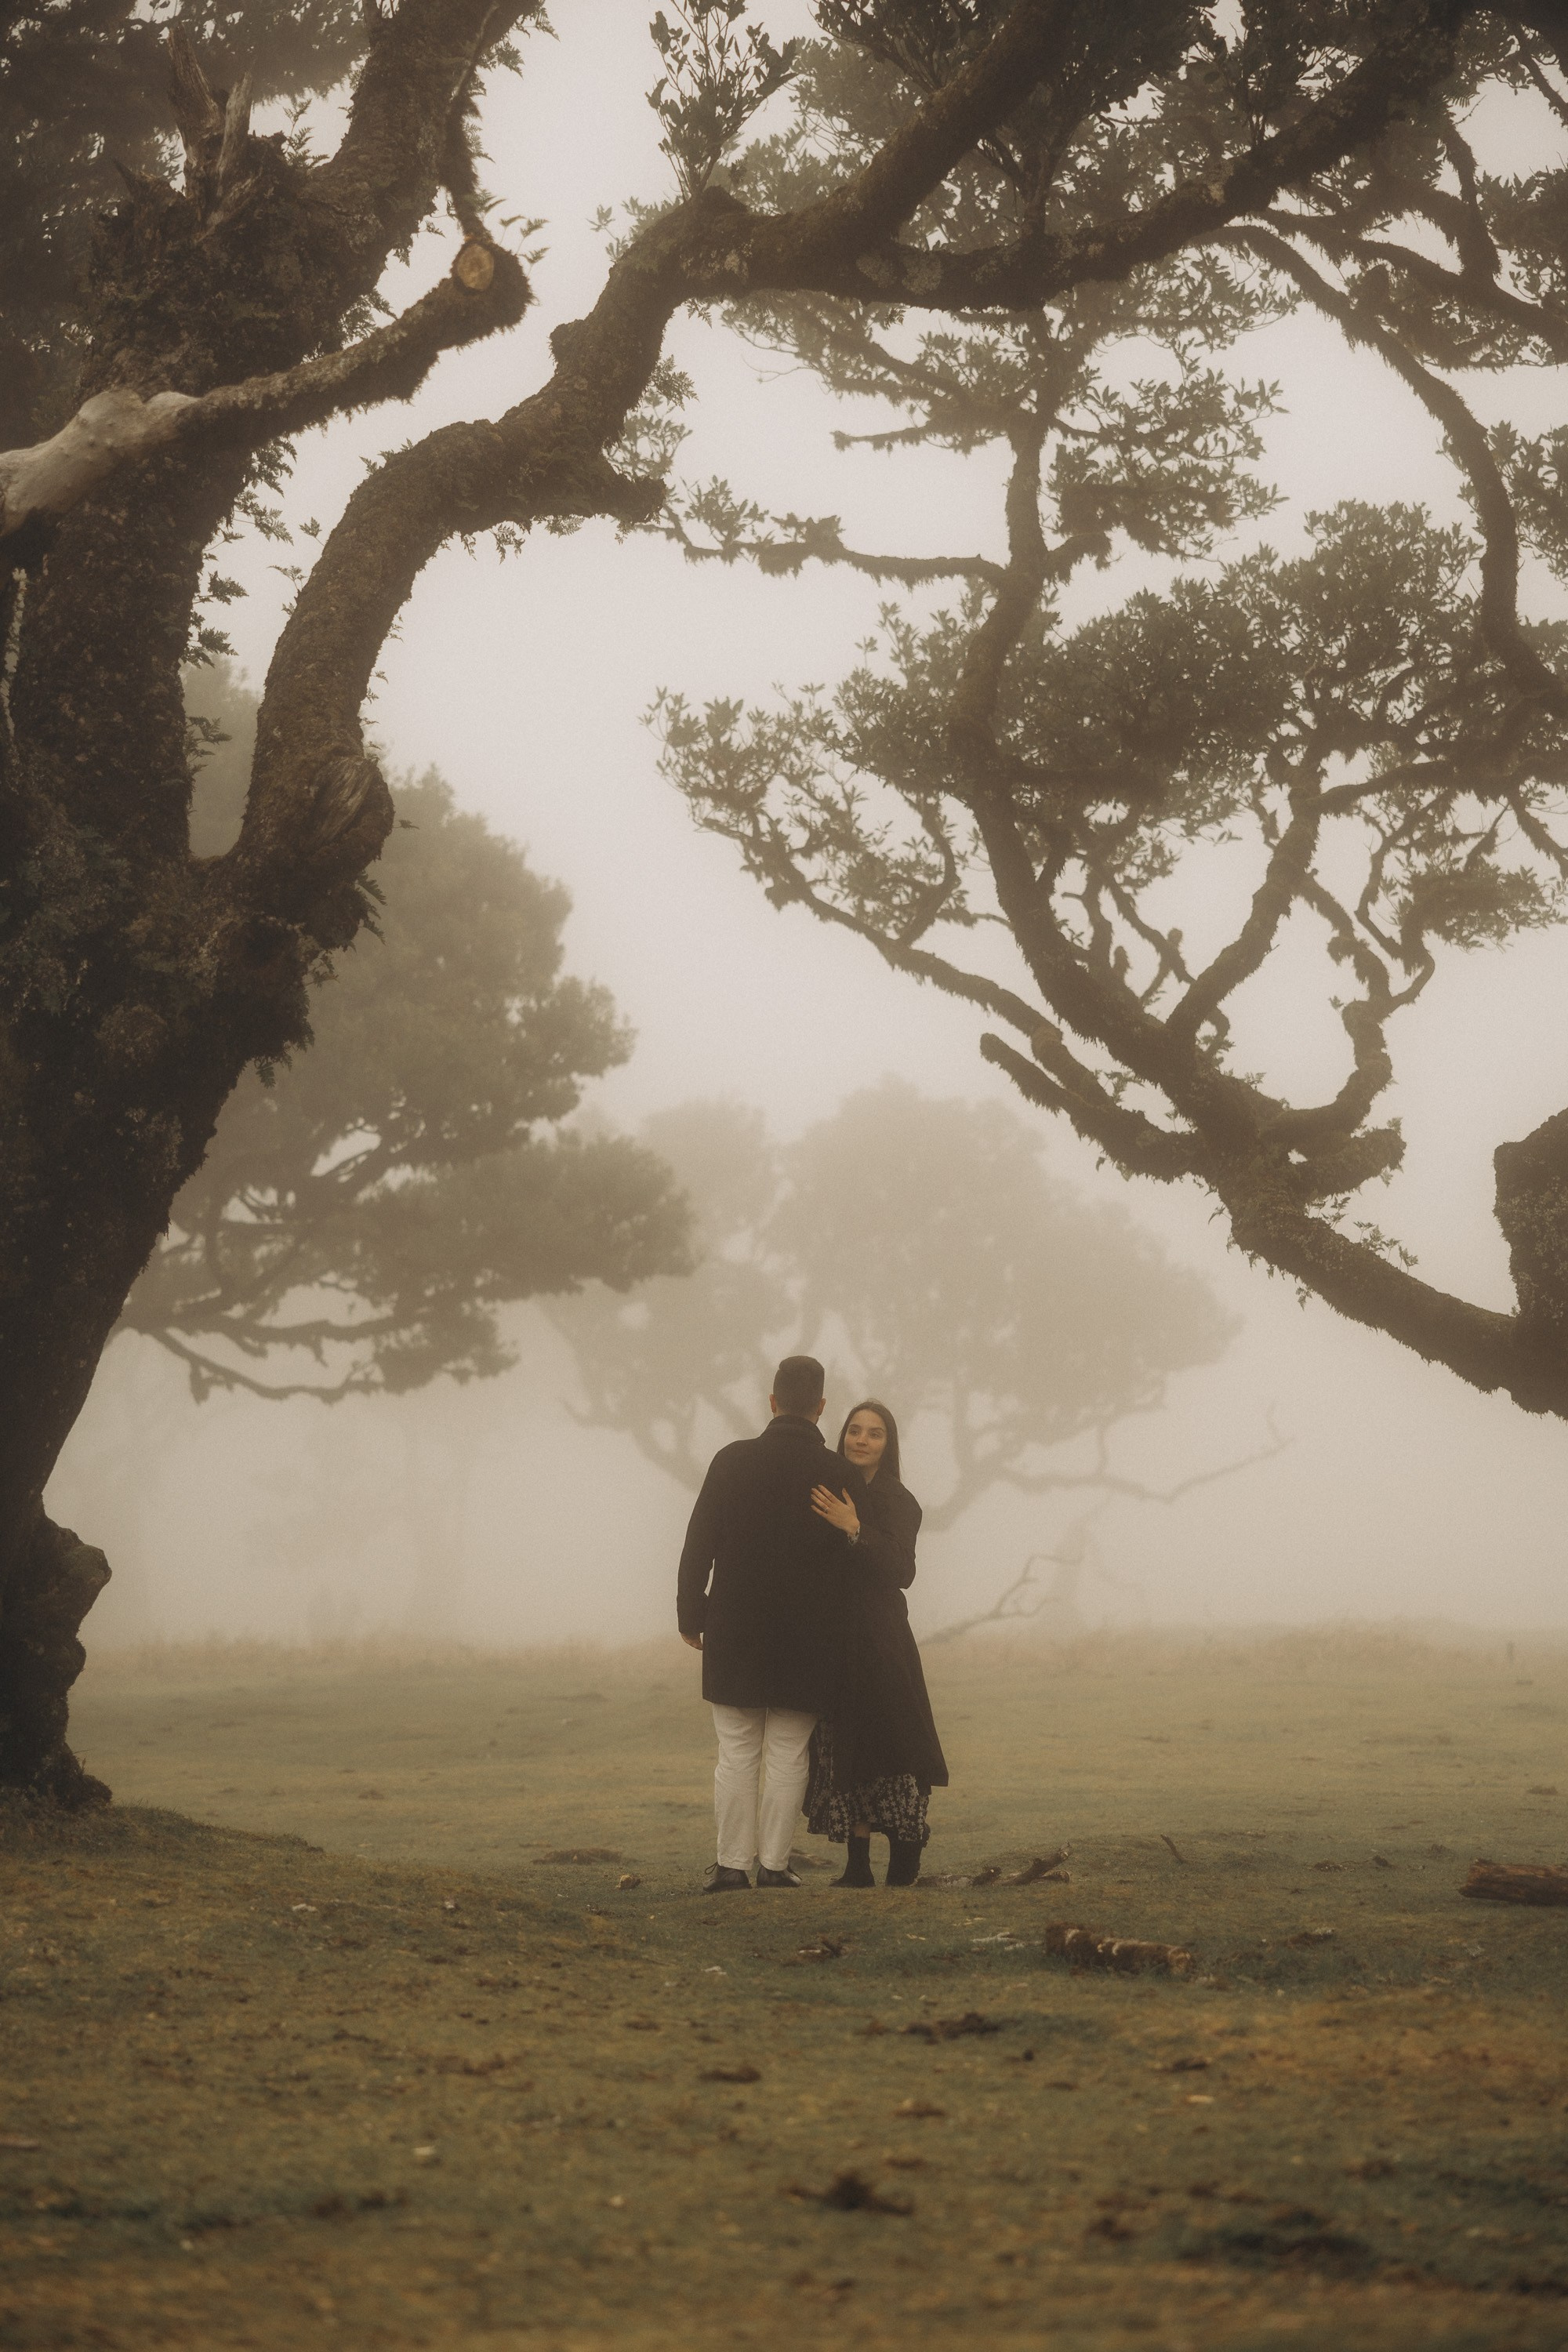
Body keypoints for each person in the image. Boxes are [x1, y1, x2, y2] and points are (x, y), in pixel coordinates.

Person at [677, 1355, 866, 1893]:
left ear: (772, 1401)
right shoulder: (838, 1472)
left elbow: (699, 1544)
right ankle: (776, 1866)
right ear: (822, 1407)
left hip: (735, 1628)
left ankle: (732, 1867)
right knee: (788, 1751)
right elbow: (856, 1560)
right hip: (811, 1637)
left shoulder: (731, 1461)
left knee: (736, 1751)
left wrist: (692, 1614)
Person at [805, 1399, 948, 1887]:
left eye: (875, 1433)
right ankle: (857, 1866)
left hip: (883, 1640)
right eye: (854, 1430)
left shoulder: (899, 1501)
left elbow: (902, 1571)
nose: (861, 1440)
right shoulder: (827, 1489)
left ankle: (906, 1859)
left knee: (894, 1746)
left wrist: (855, 1529)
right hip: (836, 1639)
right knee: (846, 1746)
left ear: (889, 1445)